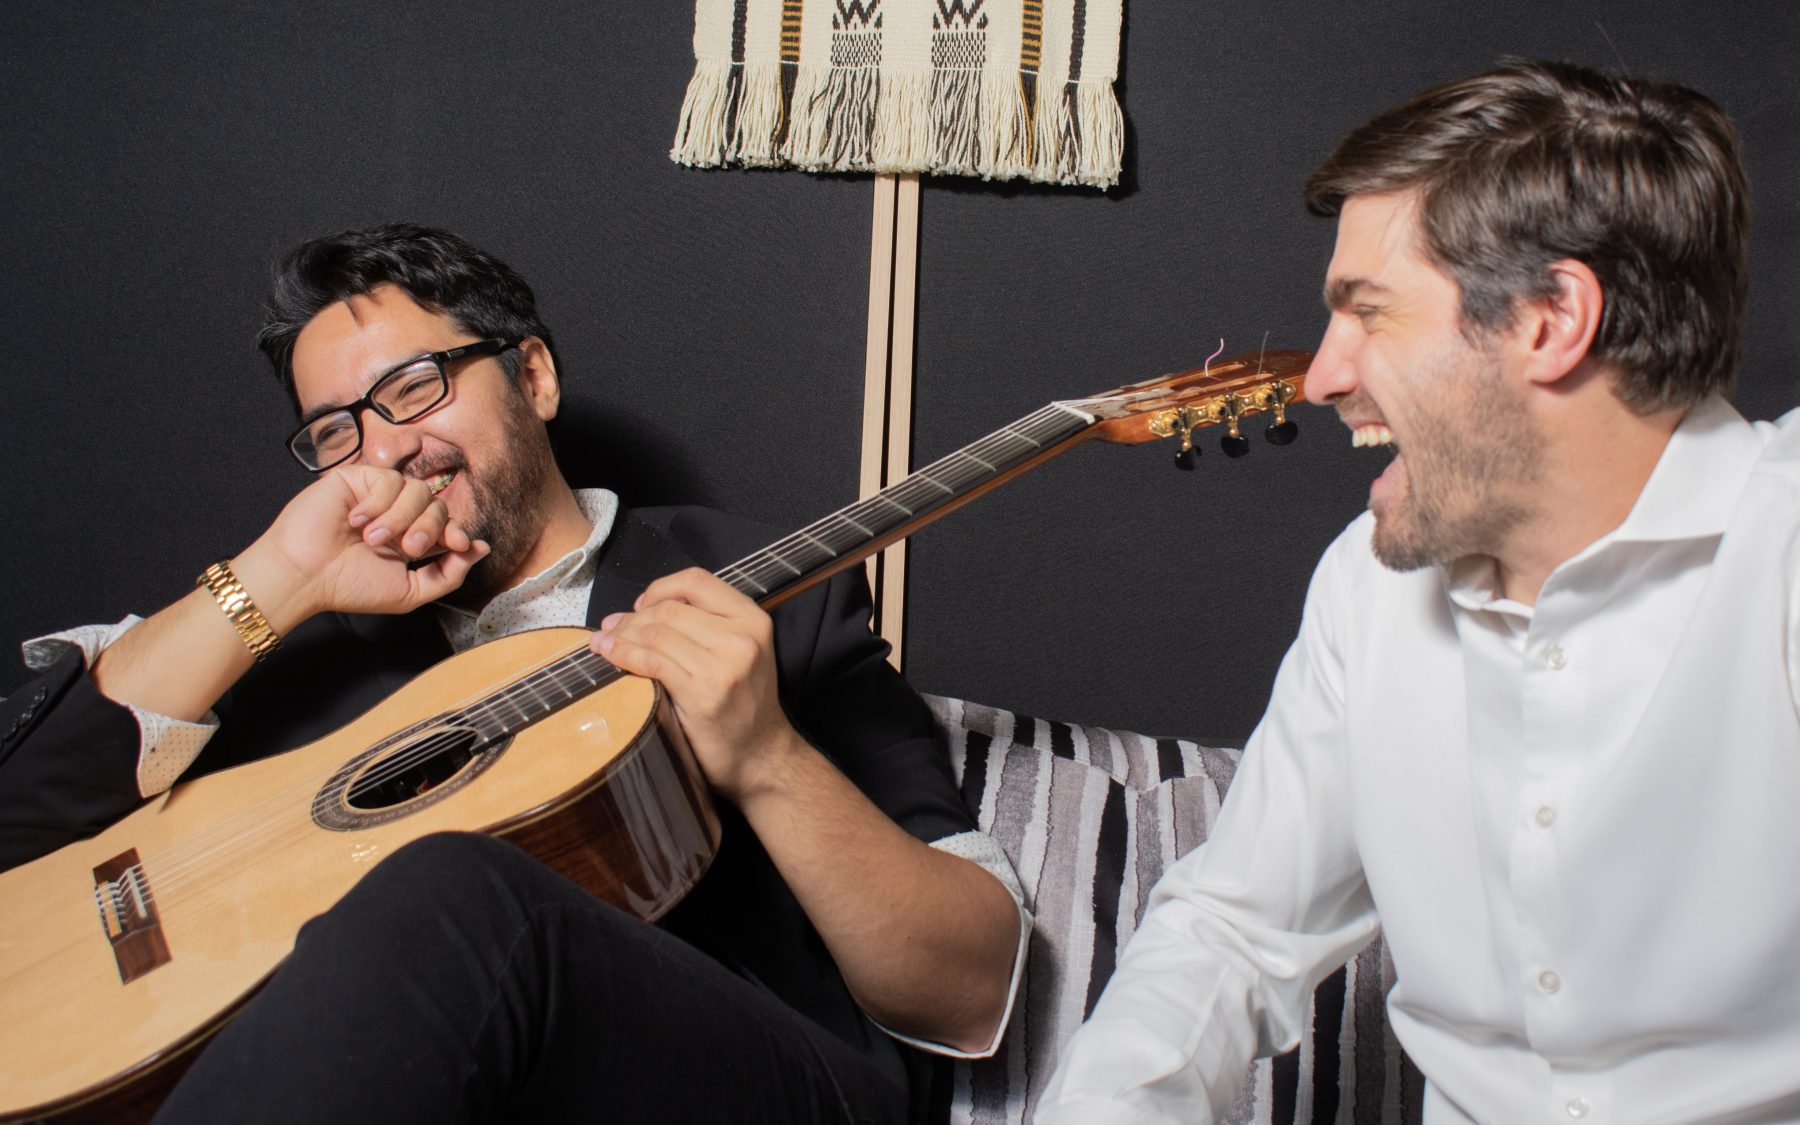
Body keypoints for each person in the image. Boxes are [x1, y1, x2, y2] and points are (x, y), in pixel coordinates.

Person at [0, 224, 1027, 1123]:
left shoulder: (759, 590)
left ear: (533, 377)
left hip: (741, 1076)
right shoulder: (311, 627)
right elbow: (18, 820)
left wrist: (766, 758)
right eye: (337, 432)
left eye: (414, 387)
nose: (383, 449)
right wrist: (277, 578)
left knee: (446, 882)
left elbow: (973, 990)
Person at [1037, 59, 1797, 1123]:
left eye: (1369, 312)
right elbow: (1231, 931)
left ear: (1550, 319)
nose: (1320, 377)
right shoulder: (1367, 586)